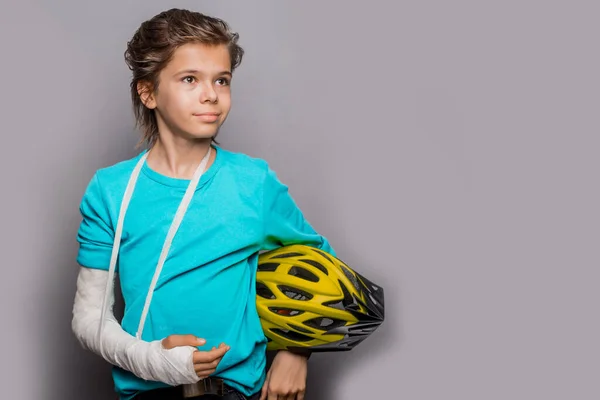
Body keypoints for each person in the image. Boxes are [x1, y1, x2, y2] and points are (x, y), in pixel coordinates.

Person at [71, 8, 336, 400]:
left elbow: (322, 270)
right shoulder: (110, 190)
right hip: (146, 392)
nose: (211, 94)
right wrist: (154, 360)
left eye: (222, 80)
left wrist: (297, 350)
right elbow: (89, 320)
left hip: (236, 392)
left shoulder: (253, 184)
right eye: (190, 79)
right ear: (148, 92)